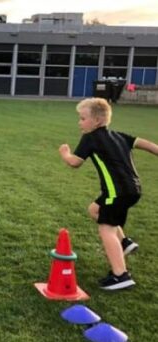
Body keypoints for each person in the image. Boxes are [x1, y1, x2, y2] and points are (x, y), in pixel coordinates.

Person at [58, 97, 158, 290]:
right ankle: (125, 242)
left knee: (106, 228)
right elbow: (146, 144)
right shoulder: (119, 136)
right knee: (95, 209)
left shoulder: (91, 138)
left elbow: (74, 162)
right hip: (133, 189)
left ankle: (121, 275)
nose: (80, 122)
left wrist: (64, 152)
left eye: (82, 118)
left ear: (96, 121)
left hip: (117, 192)